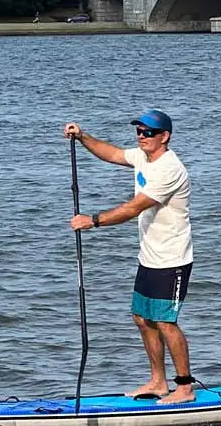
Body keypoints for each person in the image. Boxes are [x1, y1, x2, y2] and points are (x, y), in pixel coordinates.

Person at [64, 108, 195, 405]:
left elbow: (134, 208)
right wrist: (83, 136)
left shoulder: (169, 169)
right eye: (139, 131)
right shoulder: (142, 157)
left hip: (172, 259)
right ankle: (159, 382)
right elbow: (112, 154)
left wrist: (93, 220)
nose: (141, 136)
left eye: (148, 132)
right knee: (141, 317)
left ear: (165, 137)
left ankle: (185, 387)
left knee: (165, 322)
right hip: (149, 256)